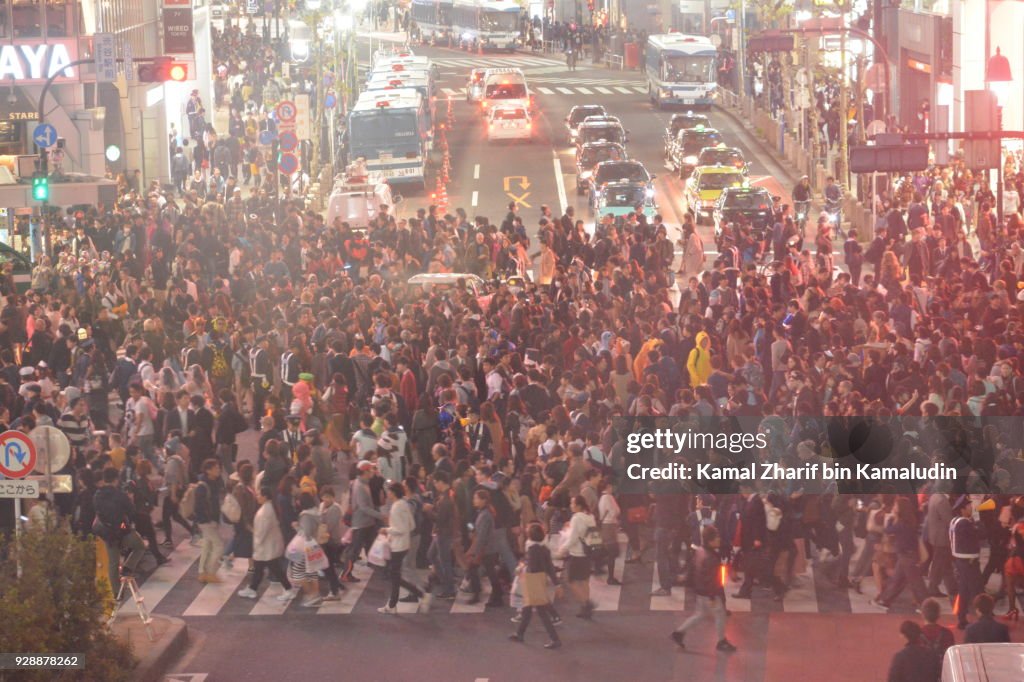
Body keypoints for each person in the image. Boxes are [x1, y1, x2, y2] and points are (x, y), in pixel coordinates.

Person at [671, 525, 736, 653]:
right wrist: (713, 596)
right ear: (710, 541)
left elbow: (693, 569)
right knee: (720, 614)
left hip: (700, 591)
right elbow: (712, 579)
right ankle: (721, 641)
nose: (719, 539)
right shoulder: (711, 558)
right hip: (709, 593)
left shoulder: (700, 551)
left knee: (700, 614)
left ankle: (679, 633)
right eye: (716, 537)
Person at [238, 486, 298, 602]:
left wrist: (254, 537)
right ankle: (253, 588)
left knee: (274, 569)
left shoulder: (265, 512)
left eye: (259, 495)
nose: (257, 497)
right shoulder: (268, 508)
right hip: (268, 547)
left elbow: (262, 532)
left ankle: (288, 589)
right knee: (261, 568)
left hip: (266, 547)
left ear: (265, 497)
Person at [93, 466, 147, 594]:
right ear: (116, 479)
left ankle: (117, 593)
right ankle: (128, 568)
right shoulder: (119, 495)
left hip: (107, 532)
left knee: (113, 563)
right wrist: (130, 500)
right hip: (122, 529)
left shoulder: (97, 495)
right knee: (140, 546)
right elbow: (132, 512)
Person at [509, 522, 561, 649]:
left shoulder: (532, 549)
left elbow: (531, 567)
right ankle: (520, 633)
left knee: (540, 611)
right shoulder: (544, 549)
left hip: (532, 580)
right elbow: (549, 567)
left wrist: (521, 568)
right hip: (540, 579)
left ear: (530, 536)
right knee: (527, 608)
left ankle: (555, 639)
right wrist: (557, 584)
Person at [378, 482, 425, 613]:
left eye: (388, 491)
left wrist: (386, 530)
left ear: (393, 493)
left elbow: (400, 529)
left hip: (397, 546)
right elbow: (411, 526)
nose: (387, 493)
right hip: (404, 544)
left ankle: (414, 595)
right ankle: (394, 604)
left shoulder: (396, 507)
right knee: (396, 575)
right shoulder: (404, 503)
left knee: (395, 576)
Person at [558, 494, 597, 619]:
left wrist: (562, 549)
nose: (571, 506)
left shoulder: (576, 518)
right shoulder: (590, 516)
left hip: (577, 553)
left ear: (578, 505)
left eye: (572, 503)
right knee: (585, 581)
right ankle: (586, 608)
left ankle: (586, 604)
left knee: (572, 581)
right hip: (588, 552)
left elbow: (573, 538)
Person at [467, 488, 504, 607]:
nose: (474, 500)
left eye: (476, 498)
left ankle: (483, 594)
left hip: (486, 549)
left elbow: (482, 536)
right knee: (490, 572)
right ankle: (496, 595)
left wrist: (475, 552)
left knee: (481, 571)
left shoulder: (485, 515)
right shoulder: (484, 513)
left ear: (483, 500)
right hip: (488, 548)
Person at [949, 495, 982, 630]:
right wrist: (977, 519)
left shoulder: (955, 521)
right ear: (962, 509)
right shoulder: (964, 523)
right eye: (969, 506)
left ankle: (962, 617)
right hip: (968, 562)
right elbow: (982, 533)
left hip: (961, 561)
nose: (971, 507)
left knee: (964, 591)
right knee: (975, 590)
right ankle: (982, 618)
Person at [193, 458, 225, 584]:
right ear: (208, 471)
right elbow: (199, 507)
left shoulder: (216, 481)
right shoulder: (203, 486)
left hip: (212, 519)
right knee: (219, 545)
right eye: (216, 468)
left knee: (207, 545)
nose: (219, 470)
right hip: (206, 521)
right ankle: (211, 572)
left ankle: (202, 572)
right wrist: (208, 520)